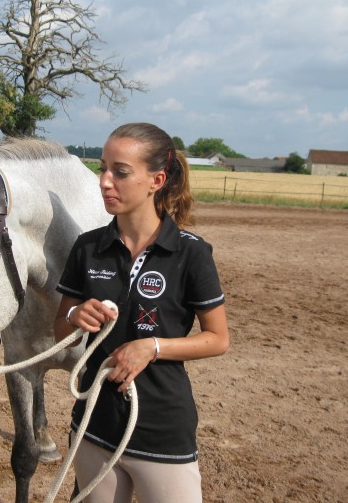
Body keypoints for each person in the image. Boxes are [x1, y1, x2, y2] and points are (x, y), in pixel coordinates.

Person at [53, 122, 230, 503]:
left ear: (156, 180)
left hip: (162, 429)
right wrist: (74, 317)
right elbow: (59, 328)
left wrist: (152, 347)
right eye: (103, 168)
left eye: (120, 172)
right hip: (93, 423)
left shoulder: (191, 253)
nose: (104, 181)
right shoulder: (87, 248)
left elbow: (218, 339)